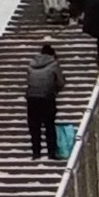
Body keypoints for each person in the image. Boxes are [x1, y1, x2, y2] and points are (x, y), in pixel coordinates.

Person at [23, 34, 65, 163]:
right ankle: (51, 153)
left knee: (34, 126)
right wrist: (55, 90)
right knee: (49, 126)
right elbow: (61, 82)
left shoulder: (31, 65)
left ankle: (36, 152)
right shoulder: (53, 64)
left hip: (32, 98)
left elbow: (29, 80)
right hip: (47, 98)